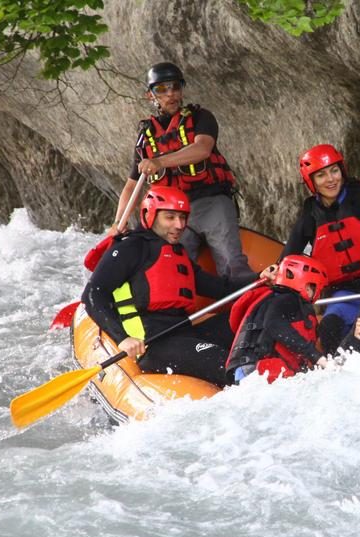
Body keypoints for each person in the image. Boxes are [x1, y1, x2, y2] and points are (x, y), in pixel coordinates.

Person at [83, 186, 272, 387]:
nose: (179, 225)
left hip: (185, 334)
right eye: (170, 217)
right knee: (223, 361)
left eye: (183, 218)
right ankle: (253, 385)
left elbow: (220, 288)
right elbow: (92, 295)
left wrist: (260, 277)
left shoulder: (177, 253)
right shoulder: (130, 248)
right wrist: (123, 339)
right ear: (150, 214)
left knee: (254, 318)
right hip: (153, 344)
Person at [110, 61, 253, 279]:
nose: (170, 94)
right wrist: (117, 224)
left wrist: (159, 162)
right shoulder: (145, 138)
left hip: (211, 202)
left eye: (175, 87)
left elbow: (202, 149)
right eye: (161, 89)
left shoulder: (200, 118)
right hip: (173, 213)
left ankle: (245, 304)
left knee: (232, 264)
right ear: (150, 95)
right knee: (173, 270)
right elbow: (132, 186)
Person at [280, 143, 360, 354]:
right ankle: (339, 373)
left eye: (334, 170)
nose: (331, 179)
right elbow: (288, 257)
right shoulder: (310, 213)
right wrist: (276, 274)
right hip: (344, 293)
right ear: (310, 181)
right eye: (321, 175)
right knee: (329, 326)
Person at [225, 255, 329, 384]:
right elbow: (274, 325)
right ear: (307, 285)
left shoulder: (273, 298)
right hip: (255, 369)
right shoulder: (288, 299)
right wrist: (315, 356)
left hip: (245, 369)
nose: (318, 294)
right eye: (317, 289)